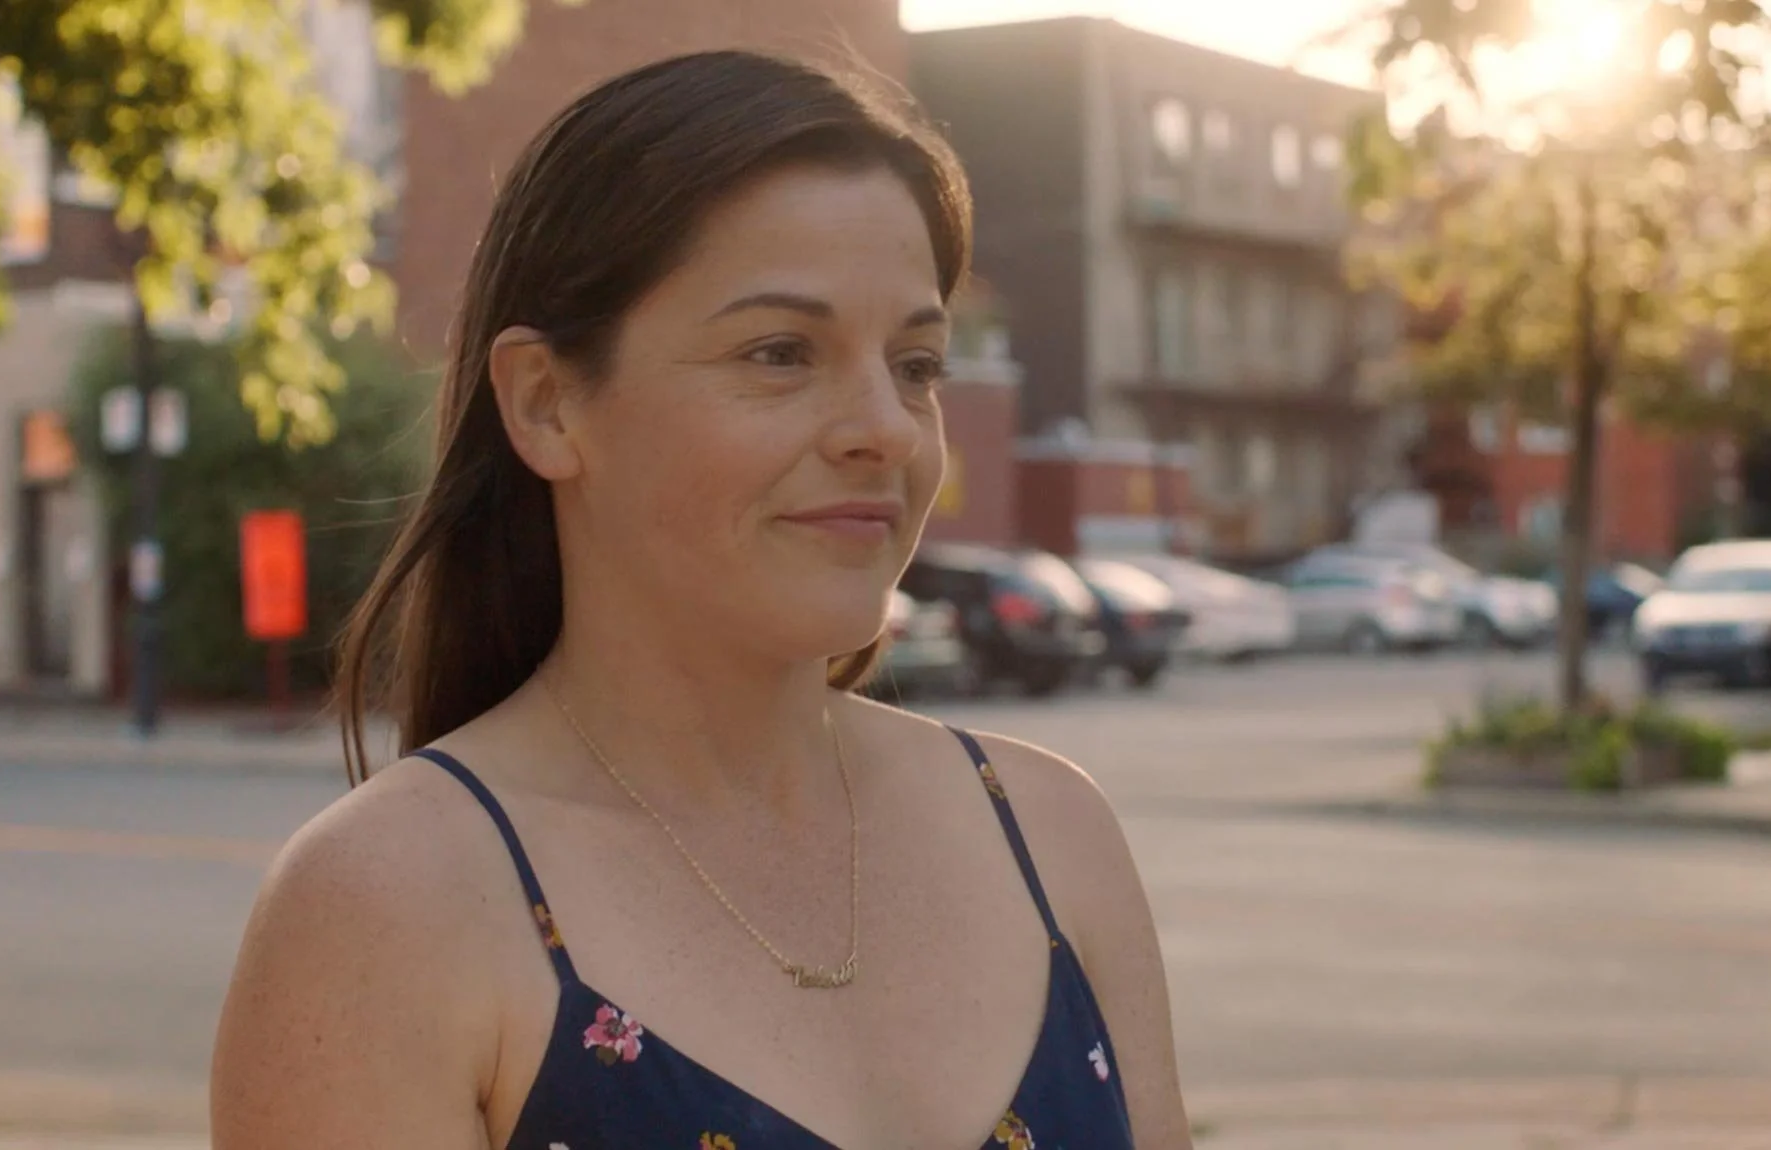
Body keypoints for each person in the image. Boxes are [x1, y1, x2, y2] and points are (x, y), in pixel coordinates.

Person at [210, 50, 1191, 1149]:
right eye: (781, 353)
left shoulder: (1052, 834)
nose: (887, 427)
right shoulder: (389, 905)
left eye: (916, 363)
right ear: (547, 406)